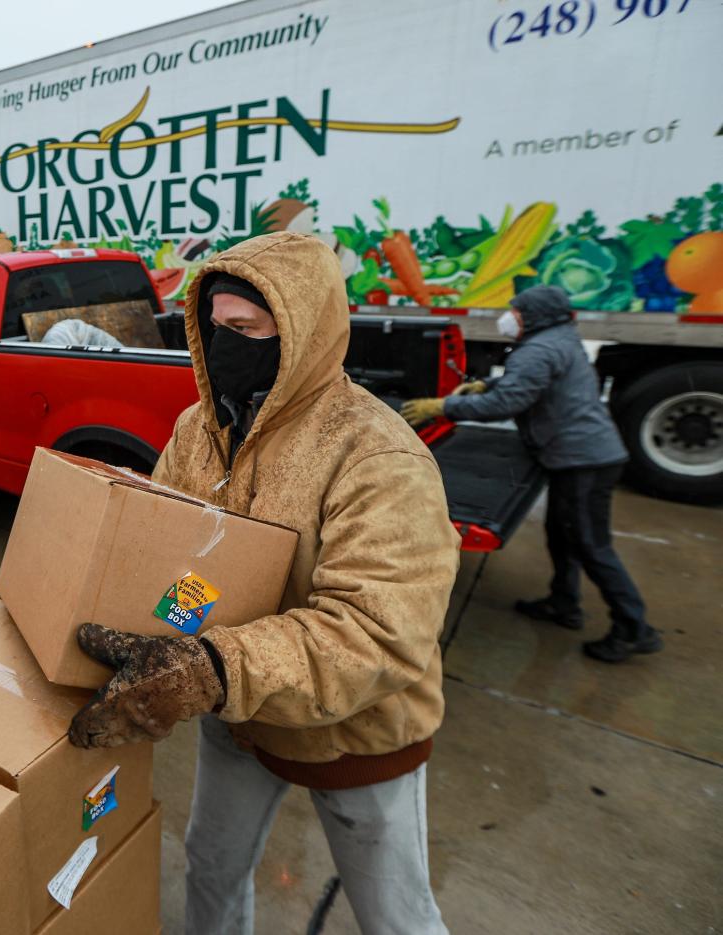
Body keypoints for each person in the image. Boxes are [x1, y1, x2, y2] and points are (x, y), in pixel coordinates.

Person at [68, 232, 460, 935]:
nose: (224, 348)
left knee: (395, 914)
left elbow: (377, 632)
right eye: (213, 329)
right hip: (242, 717)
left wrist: (208, 668)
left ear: (302, 333)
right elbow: (164, 543)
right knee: (211, 866)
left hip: (358, 732)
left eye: (245, 331)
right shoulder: (199, 428)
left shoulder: (375, 452)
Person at [400, 284, 661, 664]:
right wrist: (485, 383)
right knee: (562, 533)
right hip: (582, 456)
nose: (510, 318)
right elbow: (527, 384)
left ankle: (634, 628)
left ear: (534, 316)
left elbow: (507, 402)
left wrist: (444, 406)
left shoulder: (539, 348)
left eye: (517, 312)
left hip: (582, 461)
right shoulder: (559, 339)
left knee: (591, 543)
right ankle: (564, 602)